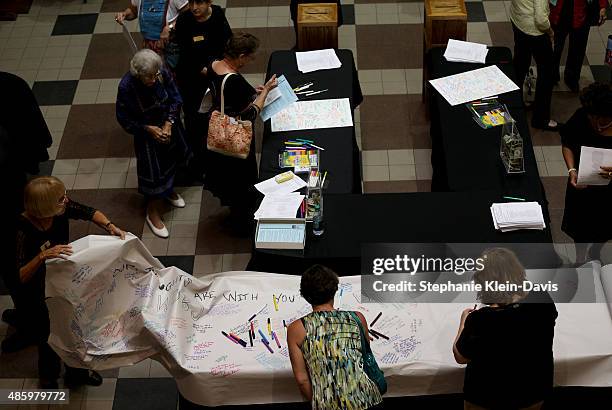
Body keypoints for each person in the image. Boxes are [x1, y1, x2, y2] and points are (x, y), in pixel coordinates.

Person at [8, 176, 125, 389]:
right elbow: (19, 276)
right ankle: (48, 376)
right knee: (47, 336)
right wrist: (42, 257)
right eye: (61, 199)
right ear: (44, 206)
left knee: (75, 328)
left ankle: (77, 374)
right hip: (36, 290)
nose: (67, 200)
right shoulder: (20, 231)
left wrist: (110, 226)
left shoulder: (60, 209)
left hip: (63, 280)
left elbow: (89, 212)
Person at [453, 248, 558, 410]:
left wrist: (464, 321)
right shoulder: (541, 296)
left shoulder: (481, 319)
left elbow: (460, 356)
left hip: (487, 399)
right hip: (533, 393)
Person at [203, 32, 277, 234]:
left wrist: (252, 92)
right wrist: (266, 91)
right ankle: (242, 220)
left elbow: (223, 91)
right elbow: (251, 113)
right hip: (233, 138)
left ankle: (236, 210)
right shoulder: (233, 80)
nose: (250, 61)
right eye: (250, 57)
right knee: (241, 182)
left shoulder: (214, 64)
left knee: (227, 180)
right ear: (242, 55)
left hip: (217, 128)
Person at [116, 49, 192, 239]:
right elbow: (124, 118)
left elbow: (176, 98)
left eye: (155, 75)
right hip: (147, 134)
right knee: (153, 173)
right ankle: (152, 212)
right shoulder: (126, 87)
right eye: (148, 77)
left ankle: (169, 191)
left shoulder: (161, 71)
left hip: (168, 125)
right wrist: (148, 129)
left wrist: (169, 123)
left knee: (172, 160)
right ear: (137, 74)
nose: (153, 79)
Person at [287, 265, 384, 410]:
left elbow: (302, 380)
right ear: (335, 290)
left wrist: (320, 402)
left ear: (305, 295)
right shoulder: (357, 318)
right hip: (367, 399)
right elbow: (364, 353)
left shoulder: (296, 328)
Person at [174, 0, 232, 176]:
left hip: (214, 77)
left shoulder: (218, 15)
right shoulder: (184, 20)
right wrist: (203, 67)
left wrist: (217, 67)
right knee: (194, 122)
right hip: (191, 80)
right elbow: (184, 51)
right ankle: (197, 164)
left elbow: (227, 44)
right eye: (191, 3)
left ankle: (218, 156)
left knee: (217, 116)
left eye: (198, 3)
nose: (194, 8)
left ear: (209, 2)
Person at [561, 82, 612, 263]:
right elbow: (567, 143)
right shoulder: (582, 116)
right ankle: (580, 257)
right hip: (582, 185)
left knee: (606, 227)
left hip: (609, 192)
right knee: (580, 228)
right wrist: (572, 169)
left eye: (596, 117)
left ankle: (596, 252)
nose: (591, 120)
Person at [509, 0, 561, 130]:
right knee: (546, 74)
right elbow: (541, 20)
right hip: (535, 31)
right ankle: (541, 119)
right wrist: (551, 32)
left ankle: (515, 105)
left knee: (520, 64)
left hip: (518, 20)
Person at [550, 0, 609, 92]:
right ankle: (552, 75)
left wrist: (602, 7)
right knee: (555, 49)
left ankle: (571, 78)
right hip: (558, 13)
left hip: (581, 14)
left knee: (577, 50)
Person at [115, 0, 188, 55]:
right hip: (148, 45)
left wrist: (171, 27)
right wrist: (125, 14)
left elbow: (189, 15)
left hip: (172, 46)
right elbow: (134, 10)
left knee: (170, 73)